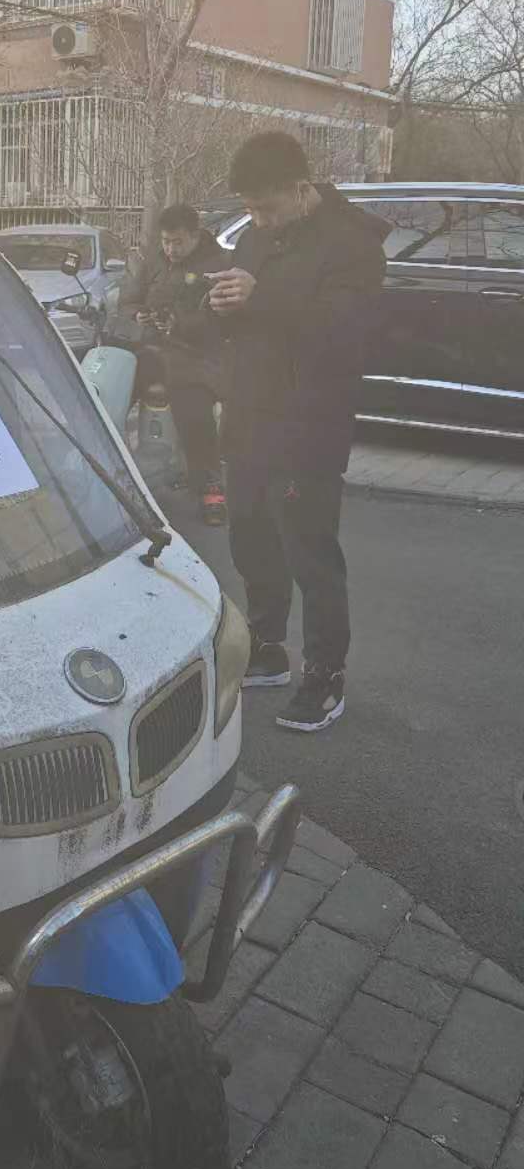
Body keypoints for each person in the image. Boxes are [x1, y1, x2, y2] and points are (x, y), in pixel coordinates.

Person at [208, 130, 386, 733]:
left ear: (301, 188)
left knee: (309, 550)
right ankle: (267, 648)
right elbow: (249, 318)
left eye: (265, 208)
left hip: (308, 423)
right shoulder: (258, 236)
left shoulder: (352, 244)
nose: (256, 220)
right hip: (249, 417)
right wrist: (219, 307)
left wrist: (259, 299)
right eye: (250, 209)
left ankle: (325, 674)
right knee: (250, 535)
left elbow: (341, 333)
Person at [123, 204, 229, 525]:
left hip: (196, 357)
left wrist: (181, 324)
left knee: (194, 410)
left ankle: (210, 487)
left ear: (195, 235)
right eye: (166, 241)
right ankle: (109, 470)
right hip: (152, 350)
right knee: (108, 390)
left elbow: (223, 319)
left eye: (178, 242)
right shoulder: (153, 261)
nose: (171, 249)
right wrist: (138, 314)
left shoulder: (218, 265)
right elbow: (128, 300)